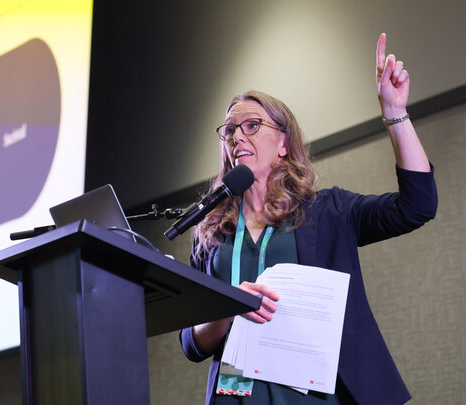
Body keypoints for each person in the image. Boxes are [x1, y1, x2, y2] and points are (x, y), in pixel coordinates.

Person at [179, 33, 437, 405]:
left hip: (312, 394)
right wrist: (229, 309)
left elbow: (418, 206)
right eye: (230, 130)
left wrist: (395, 113)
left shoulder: (328, 211)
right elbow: (192, 342)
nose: (237, 136)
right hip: (234, 394)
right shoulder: (211, 232)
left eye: (252, 125)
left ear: (284, 143)